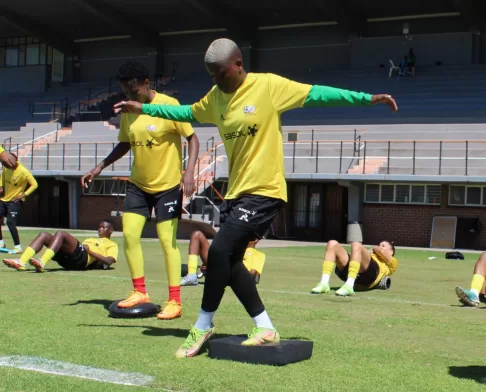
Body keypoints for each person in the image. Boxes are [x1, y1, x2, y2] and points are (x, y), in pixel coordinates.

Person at [113, 38, 397, 358]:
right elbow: (186, 111)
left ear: (238, 64)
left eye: (221, 74)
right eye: (211, 76)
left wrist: (366, 99)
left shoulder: (269, 86)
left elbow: (317, 93)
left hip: (265, 191)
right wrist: (143, 107)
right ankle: (264, 327)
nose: (217, 81)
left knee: (219, 250)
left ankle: (203, 325)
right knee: (230, 262)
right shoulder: (215, 98)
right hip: (236, 192)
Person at [82, 61, 200, 320]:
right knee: (130, 236)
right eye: (126, 92)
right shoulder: (127, 111)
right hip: (138, 185)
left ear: (147, 84)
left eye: (134, 91)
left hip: (168, 186)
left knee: (167, 243)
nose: (130, 97)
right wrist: (99, 166)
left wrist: (189, 172)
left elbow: (193, 138)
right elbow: (125, 144)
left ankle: (175, 301)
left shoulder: (169, 106)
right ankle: (139, 291)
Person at [3, 221, 117, 272]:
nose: (100, 229)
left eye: (103, 227)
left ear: (111, 230)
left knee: (61, 233)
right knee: (44, 235)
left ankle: (42, 262)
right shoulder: (91, 239)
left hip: (83, 260)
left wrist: (91, 252)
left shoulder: (112, 244)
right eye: (99, 227)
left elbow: (109, 261)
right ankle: (21, 262)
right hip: (68, 259)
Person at [311, 240, 397, 296]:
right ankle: (324, 283)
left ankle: (349, 285)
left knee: (356, 244)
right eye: (379, 244)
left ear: (391, 252)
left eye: (383, 245)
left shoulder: (393, 262)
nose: (379, 246)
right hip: (351, 271)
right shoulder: (370, 253)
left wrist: (374, 248)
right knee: (332, 243)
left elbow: (380, 251)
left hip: (369, 275)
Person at [180, 230, 266, 286]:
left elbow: (252, 273)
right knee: (197, 235)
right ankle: (192, 275)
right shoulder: (236, 247)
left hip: (231, 274)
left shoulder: (259, 255)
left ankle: (202, 272)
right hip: (220, 266)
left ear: (256, 240)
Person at [0, 149, 37, 254]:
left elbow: (35, 184)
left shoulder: (24, 172)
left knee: (10, 223)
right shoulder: (6, 168)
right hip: (3, 199)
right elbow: (2, 176)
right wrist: (1, 186)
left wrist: (23, 195)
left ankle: (18, 246)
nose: (5, 164)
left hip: (14, 201)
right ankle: (1, 242)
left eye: (6, 162)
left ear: (14, 161)